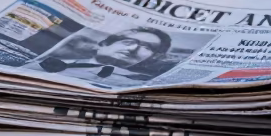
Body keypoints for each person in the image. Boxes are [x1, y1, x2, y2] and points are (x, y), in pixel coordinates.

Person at [38, 26, 173, 83]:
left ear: (151, 57)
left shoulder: (140, 82)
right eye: (127, 42)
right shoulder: (40, 63)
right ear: (103, 44)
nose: (133, 48)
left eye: (147, 47)